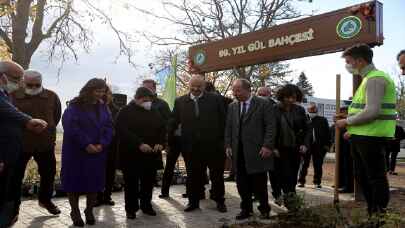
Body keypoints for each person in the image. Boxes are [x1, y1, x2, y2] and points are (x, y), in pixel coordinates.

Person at [336, 44, 396, 216]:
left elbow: (372, 111)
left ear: (360, 61)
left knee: (375, 178)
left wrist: (346, 122)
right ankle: (372, 213)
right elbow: (364, 111)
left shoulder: (375, 79)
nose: (347, 65)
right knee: (362, 177)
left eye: (348, 62)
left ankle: (378, 216)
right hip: (362, 136)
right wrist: (352, 130)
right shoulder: (368, 79)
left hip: (372, 137)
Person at [0, 61, 48, 227]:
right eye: (16, 78)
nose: (18, 82)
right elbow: (7, 110)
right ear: (2, 76)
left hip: (11, 151)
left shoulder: (5, 94)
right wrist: (29, 121)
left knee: (6, 190)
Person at [170, 75, 227, 213]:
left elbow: (224, 121)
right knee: (193, 176)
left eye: (199, 87)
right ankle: (193, 202)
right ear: (188, 86)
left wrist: (224, 141)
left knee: (216, 176)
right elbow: (173, 121)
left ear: (204, 86)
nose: (195, 89)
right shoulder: (180, 101)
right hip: (191, 148)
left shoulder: (216, 99)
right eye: (192, 87)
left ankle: (219, 201)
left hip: (214, 146)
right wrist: (169, 139)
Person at [61, 78, 113, 226]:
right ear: (88, 90)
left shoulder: (103, 107)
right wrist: (86, 144)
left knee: (94, 182)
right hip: (76, 152)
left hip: (97, 152)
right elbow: (71, 127)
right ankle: (75, 211)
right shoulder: (75, 106)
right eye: (97, 91)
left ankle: (89, 210)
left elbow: (109, 127)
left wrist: (102, 144)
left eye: (103, 91)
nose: (100, 94)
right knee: (74, 182)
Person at [11, 70, 62, 216]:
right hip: (21, 144)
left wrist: (47, 129)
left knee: (49, 173)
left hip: (44, 143)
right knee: (15, 176)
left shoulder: (52, 96)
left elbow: (56, 116)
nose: (33, 88)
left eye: (37, 85)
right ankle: (14, 206)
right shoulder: (13, 96)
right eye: (30, 85)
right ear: (22, 82)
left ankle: (45, 200)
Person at [225, 79, 274, 220]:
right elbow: (228, 127)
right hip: (238, 152)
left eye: (237, 90)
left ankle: (264, 209)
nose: (234, 93)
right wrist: (228, 145)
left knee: (259, 183)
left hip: (258, 151)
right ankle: (246, 209)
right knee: (241, 183)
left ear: (248, 90)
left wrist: (267, 145)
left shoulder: (263, 104)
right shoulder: (232, 106)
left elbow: (271, 127)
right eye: (233, 90)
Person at [116, 87, 166, 219]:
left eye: (150, 99)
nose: (148, 102)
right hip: (131, 154)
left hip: (150, 155)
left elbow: (162, 128)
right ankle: (131, 209)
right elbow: (122, 131)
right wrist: (139, 144)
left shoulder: (154, 111)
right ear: (136, 98)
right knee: (131, 183)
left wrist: (161, 143)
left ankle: (146, 205)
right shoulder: (125, 111)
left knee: (148, 182)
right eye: (145, 99)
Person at [272, 84, 311, 211]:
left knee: (292, 176)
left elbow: (307, 129)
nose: (291, 100)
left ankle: (290, 200)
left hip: (295, 148)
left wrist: (305, 144)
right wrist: (272, 147)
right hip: (279, 148)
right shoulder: (274, 109)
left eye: (294, 98)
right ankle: (284, 198)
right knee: (281, 175)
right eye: (288, 97)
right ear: (282, 96)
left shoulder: (299, 110)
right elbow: (269, 130)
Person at [96, 87, 121, 206]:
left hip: (112, 145)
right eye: (103, 93)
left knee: (110, 172)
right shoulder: (94, 108)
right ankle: (97, 197)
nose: (105, 95)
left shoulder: (117, 110)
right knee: (97, 171)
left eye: (108, 93)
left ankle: (107, 196)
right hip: (97, 145)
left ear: (111, 95)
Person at [298, 103, 331, 188]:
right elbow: (300, 133)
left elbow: (327, 133)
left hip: (319, 146)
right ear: (308, 110)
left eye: (314, 109)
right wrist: (301, 144)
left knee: (318, 164)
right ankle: (301, 181)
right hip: (306, 146)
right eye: (311, 109)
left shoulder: (323, 120)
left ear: (317, 110)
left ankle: (317, 182)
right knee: (304, 164)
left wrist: (327, 145)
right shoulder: (304, 119)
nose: (313, 110)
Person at [332, 106, 354, 193]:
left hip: (348, 145)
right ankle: (340, 182)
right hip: (341, 146)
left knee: (348, 165)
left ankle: (348, 186)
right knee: (340, 164)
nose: (342, 114)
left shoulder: (351, 120)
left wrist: (346, 118)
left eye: (344, 112)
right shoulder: (340, 122)